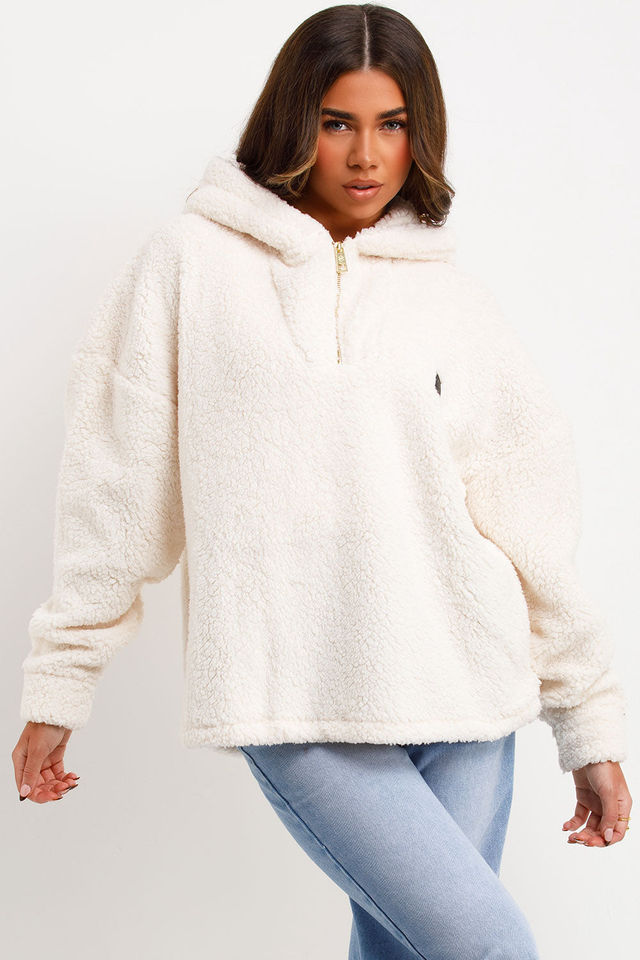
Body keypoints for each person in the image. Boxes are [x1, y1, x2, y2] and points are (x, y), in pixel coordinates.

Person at [13, 3, 632, 958]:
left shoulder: (452, 298)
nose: (366, 155)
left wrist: (586, 724)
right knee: (489, 948)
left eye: (393, 124)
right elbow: (117, 487)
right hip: (294, 698)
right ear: (293, 118)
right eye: (338, 121)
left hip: (468, 694)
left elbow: (531, 521)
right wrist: (63, 678)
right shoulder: (190, 264)